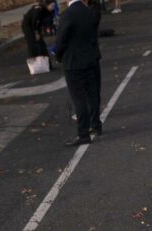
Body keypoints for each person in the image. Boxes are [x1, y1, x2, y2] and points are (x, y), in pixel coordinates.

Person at [56, 0, 102, 146]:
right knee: (93, 94)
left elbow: (61, 39)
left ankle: (83, 134)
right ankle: (96, 125)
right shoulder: (90, 12)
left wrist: (58, 55)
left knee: (79, 99)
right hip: (90, 59)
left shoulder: (68, 15)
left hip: (73, 62)